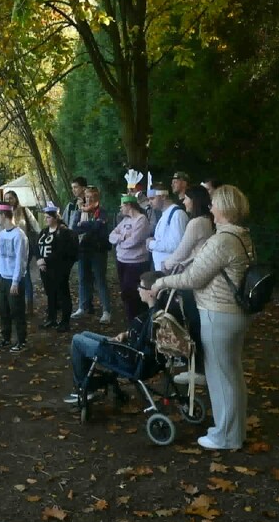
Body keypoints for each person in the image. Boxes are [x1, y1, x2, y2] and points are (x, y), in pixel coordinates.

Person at [149, 185, 254, 450]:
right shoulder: (241, 236)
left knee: (221, 378)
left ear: (225, 208)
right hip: (232, 314)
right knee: (231, 375)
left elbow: (193, 277)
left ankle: (225, 436)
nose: (210, 208)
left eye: (215, 204)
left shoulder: (222, 240)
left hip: (219, 314)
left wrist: (161, 283)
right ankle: (234, 431)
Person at [63, 270, 166, 404]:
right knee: (84, 335)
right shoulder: (155, 313)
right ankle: (89, 385)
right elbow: (143, 336)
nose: (138, 290)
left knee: (77, 340)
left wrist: (123, 342)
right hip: (130, 352)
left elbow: (142, 341)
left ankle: (85, 389)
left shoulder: (150, 319)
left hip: (129, 359)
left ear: (151, 292)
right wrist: (126, 334)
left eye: (140, 287)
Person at [161, 185, 215, 386]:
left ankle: (198, 370)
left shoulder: (196, 223)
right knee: (200, 323)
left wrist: (167, 264)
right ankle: (203, 366)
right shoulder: (209, 221)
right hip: (204, 277)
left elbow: (182, 251)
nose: (184, 202)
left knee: (193, 323)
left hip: (192, 279)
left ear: (195, 200)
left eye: (187, 198)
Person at [0, 203, 29, 352]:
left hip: (14, 279)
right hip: (3, 278)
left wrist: (15, 281)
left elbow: (20, 260)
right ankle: (5, 338)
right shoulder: (2, 234)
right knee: (3, 309)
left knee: (17, 310)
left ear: (4, 215)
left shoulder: (19, 235)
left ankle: (21, 340)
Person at [35, 202, 79, 333]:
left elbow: (61, 251)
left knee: (63, 293)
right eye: (45, 217)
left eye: (48, 217)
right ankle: (51, 318)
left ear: (55, 217)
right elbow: (37, 246)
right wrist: (38, 260)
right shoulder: (44, 231)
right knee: (50, 294)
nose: (45, 219)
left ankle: (65, 321)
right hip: (45, 269)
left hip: (59, 269)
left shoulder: (63, 232)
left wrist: (45, 260)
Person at [71, 186, 112, 324]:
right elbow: (74, 228)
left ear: (97, 197)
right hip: (83, 250)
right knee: (83, 279)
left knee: (100, 280)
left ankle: (106, 310)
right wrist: (88, 225)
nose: (88, 199)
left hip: (98, 250)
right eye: (87, 196)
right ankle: (84, 307)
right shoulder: (79, 212)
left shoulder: (102, 212)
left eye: (92, 197)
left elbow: (99, 226)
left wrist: (84, 225)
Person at [109, 193, 151, 323]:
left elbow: (133, 242)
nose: (120, 208)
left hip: (136, 263)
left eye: (122, 205)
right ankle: (131, 322)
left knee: (134, 295)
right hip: (122, 261)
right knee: (126, 293)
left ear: (129, 205)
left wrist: (120, 240)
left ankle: (138, 322)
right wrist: (122, 237)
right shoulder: (125, 220)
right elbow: (111, 237)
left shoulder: (141, 220)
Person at [4, 190, 40, 312]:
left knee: (25, 273)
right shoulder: (4, 212)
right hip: (9, 248)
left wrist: (40, 238)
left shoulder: (24, 210)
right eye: (6, 198)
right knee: (11, 274)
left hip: (24, 246)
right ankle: (15, 303)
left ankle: (28, 304)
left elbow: (35, 225)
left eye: (11, 198)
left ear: (15, 198)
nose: (9, 200)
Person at [147, 182, 188, 272]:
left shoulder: (177, 214)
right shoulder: (165, 214)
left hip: (171, 271)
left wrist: (151, 244)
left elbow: (177, 246)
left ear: (163, 196)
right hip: (163, 269)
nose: (149, 202)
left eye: (152, 198)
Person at [64, 176, 89, 312]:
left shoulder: (92, 203)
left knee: (95, 277)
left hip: (91, 244)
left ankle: (104, 309)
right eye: (72, 187)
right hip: (75, 244)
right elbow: (66, 222)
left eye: (76, 187)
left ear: (83, 188)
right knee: (81, 276)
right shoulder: (71, 205)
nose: (73, 190)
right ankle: (83, 305)